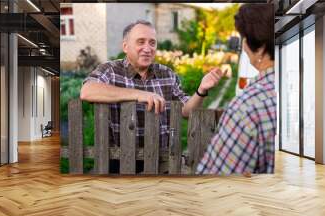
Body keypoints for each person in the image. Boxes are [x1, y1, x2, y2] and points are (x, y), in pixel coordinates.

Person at [80, 20, 227, 173]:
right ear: (125, 46)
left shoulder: (166, 73)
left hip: (160, 160)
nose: (147, 48)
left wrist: (201, 90)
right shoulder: (110, 70)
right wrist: (139, 94)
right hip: (119, 160)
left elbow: (186, 112)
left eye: (152, 43)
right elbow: (87, 91)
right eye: (140, 42)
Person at [196, 4, 276, 175]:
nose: (244, 46)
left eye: (244, 38)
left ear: (260, 48)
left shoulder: (248, 106)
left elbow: (216, 178)